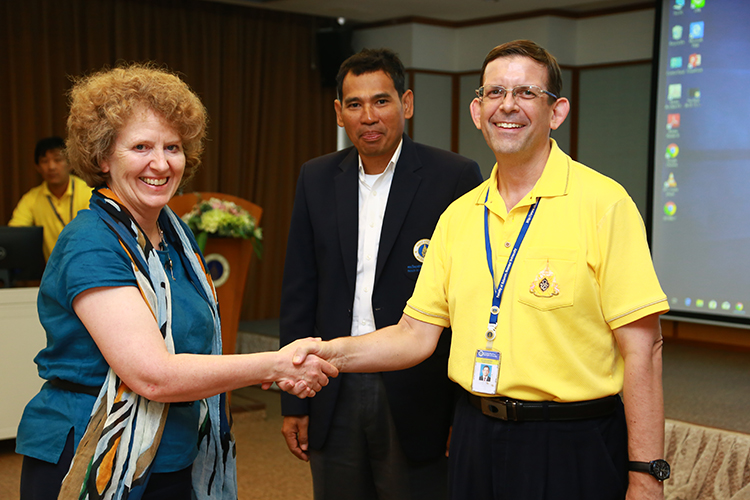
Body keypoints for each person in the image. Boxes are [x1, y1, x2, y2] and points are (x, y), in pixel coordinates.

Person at [292, 40, 671, 500]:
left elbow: (644, 348)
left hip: (571, 440)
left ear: (557, 112)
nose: (507, 105)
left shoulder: (605, 204)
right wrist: (327, 353)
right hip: (476, 437)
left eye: (526, 92)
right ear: (477, 111)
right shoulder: (459, 215)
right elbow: (414, 334)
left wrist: (645, 475)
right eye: (495, 92)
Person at [15, 63, 337, 500]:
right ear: (103, 157)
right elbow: (153, 375)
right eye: (141, 147)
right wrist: (275, 365)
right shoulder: (90, 242)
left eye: (173, 147)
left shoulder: (174, 234)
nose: (161, 163)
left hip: (174, 452)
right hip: (91, 455)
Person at [279, 48, 482, 500]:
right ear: (339, 113)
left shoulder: (453, 177)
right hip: (331, 383)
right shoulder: (316, 178)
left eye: (381, 101)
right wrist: (294, 397)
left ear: (406, 103)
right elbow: (299, 290)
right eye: (355, 104)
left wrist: (461, 410)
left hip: (419, 391)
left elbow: (468, 301)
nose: (368, 116)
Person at [8, 136, 92, 260]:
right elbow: (14, 235)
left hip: (87, 261)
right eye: (44, 161)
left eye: (58, 160)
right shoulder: (31, 198)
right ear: (37, 167)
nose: (51, 166)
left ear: (70, 164)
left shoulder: (88, 192)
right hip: (54, 268)